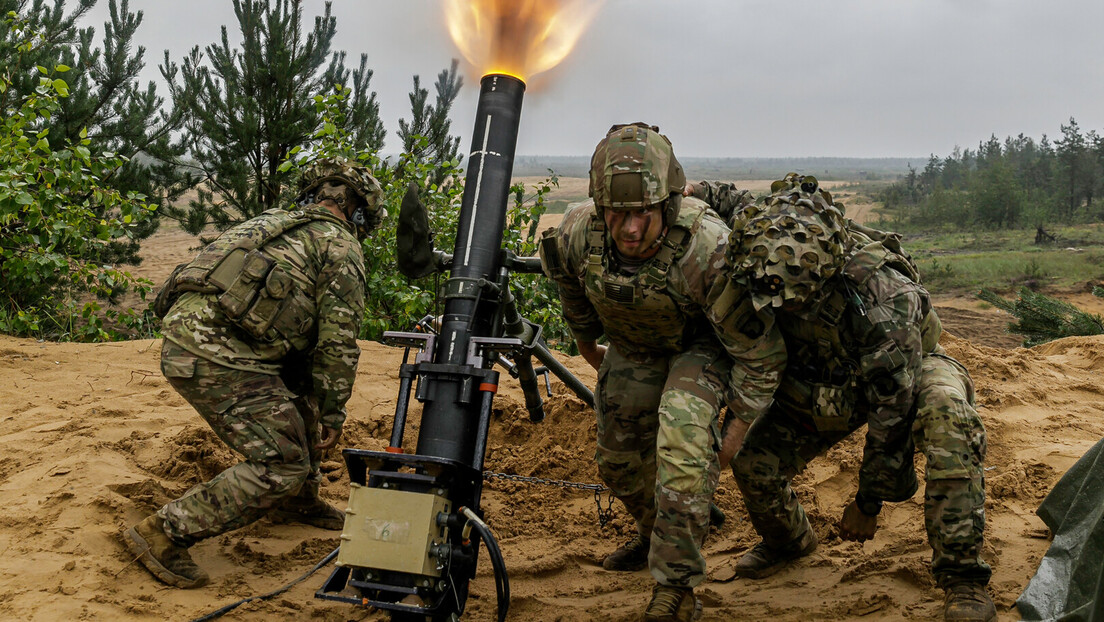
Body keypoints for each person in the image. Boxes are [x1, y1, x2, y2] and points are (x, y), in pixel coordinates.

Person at [708, 174, 995, 622]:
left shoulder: (883, 299)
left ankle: (963, 579)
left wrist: (867, 503)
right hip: (820, 374)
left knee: (948, 420)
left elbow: (892, 415)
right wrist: (688, 192)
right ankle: (789, 542)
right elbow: (731, 200)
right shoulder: (767, 233)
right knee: (752, 460)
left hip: (908, 369)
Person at [538, 123, 782, 622]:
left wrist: (730, 441)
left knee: (682, 445)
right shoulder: (579, 232)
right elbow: (566, 277)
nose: (629, 229)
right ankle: (662, 533)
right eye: (618, 214)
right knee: (618, 463)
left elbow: (762, 355)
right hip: (636, 346)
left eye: (643, 215)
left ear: (667, 206)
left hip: (704, 349)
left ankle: (676, 589)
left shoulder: (706, 247)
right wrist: (586, 340)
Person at [123, 158, 384, 588]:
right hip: (220, 357)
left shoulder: (270, 223)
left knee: (300, 393)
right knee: (283, 463)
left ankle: (299, 502)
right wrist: (336, 416)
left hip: (188, 338)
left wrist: (318, 403)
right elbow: (338, 346)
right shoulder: (341, 248)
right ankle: (163, 533)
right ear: (359, 212)